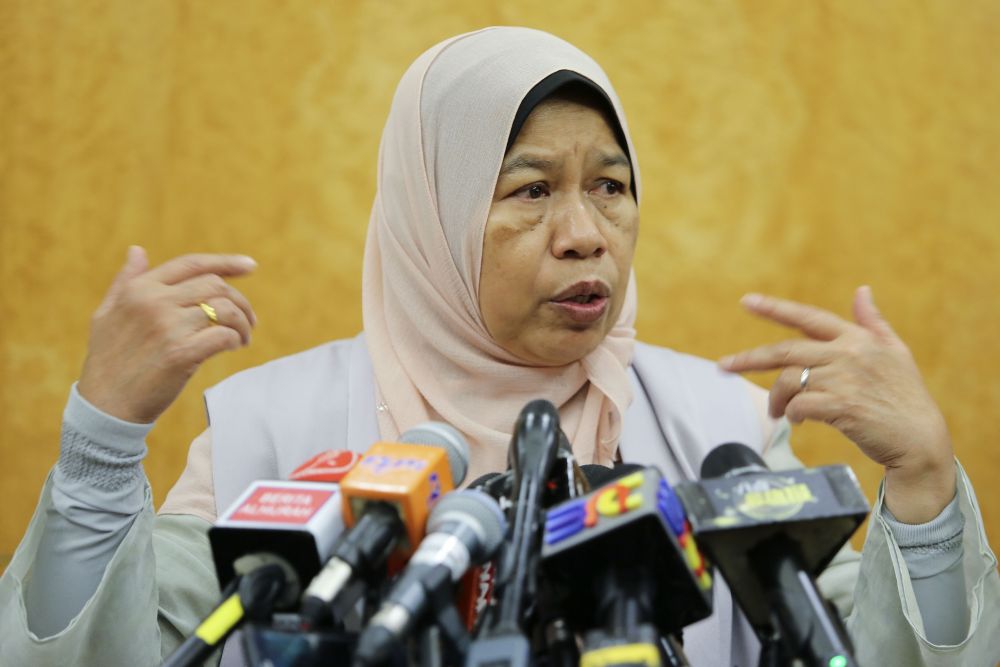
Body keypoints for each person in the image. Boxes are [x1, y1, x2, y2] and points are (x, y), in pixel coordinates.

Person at [1, 26, 997, 667]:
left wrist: (921, 484)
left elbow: (860, 644)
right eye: (530, 189)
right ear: (431, 216)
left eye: (609, 186)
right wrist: (102, 443)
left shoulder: (720, 428)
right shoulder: (271, 428)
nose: (585, 233)